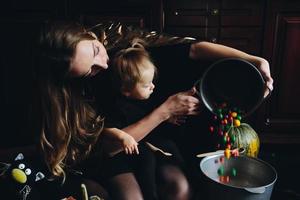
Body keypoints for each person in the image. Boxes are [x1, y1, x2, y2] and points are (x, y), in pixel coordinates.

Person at [32, 20, 273, 200]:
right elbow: (108, 147)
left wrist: (254, 60)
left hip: (157, 143)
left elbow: (194, 49)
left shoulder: (129, 51)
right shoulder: (79, 93)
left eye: (96, 51)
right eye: (90, 70)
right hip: (116, 152)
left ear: (92, 36)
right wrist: (166, 110)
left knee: (180, 189)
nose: (102, 64)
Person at [100, 39, 190, 200]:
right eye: (146, 84)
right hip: (122, 152)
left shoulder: (147, 97)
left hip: (147, 146)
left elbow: (151, 114)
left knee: (158, 166)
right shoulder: (115, 105)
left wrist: (167, 118)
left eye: (152, 82)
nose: (152, 87)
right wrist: (123, 136)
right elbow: (107, 129)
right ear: (126, 90)